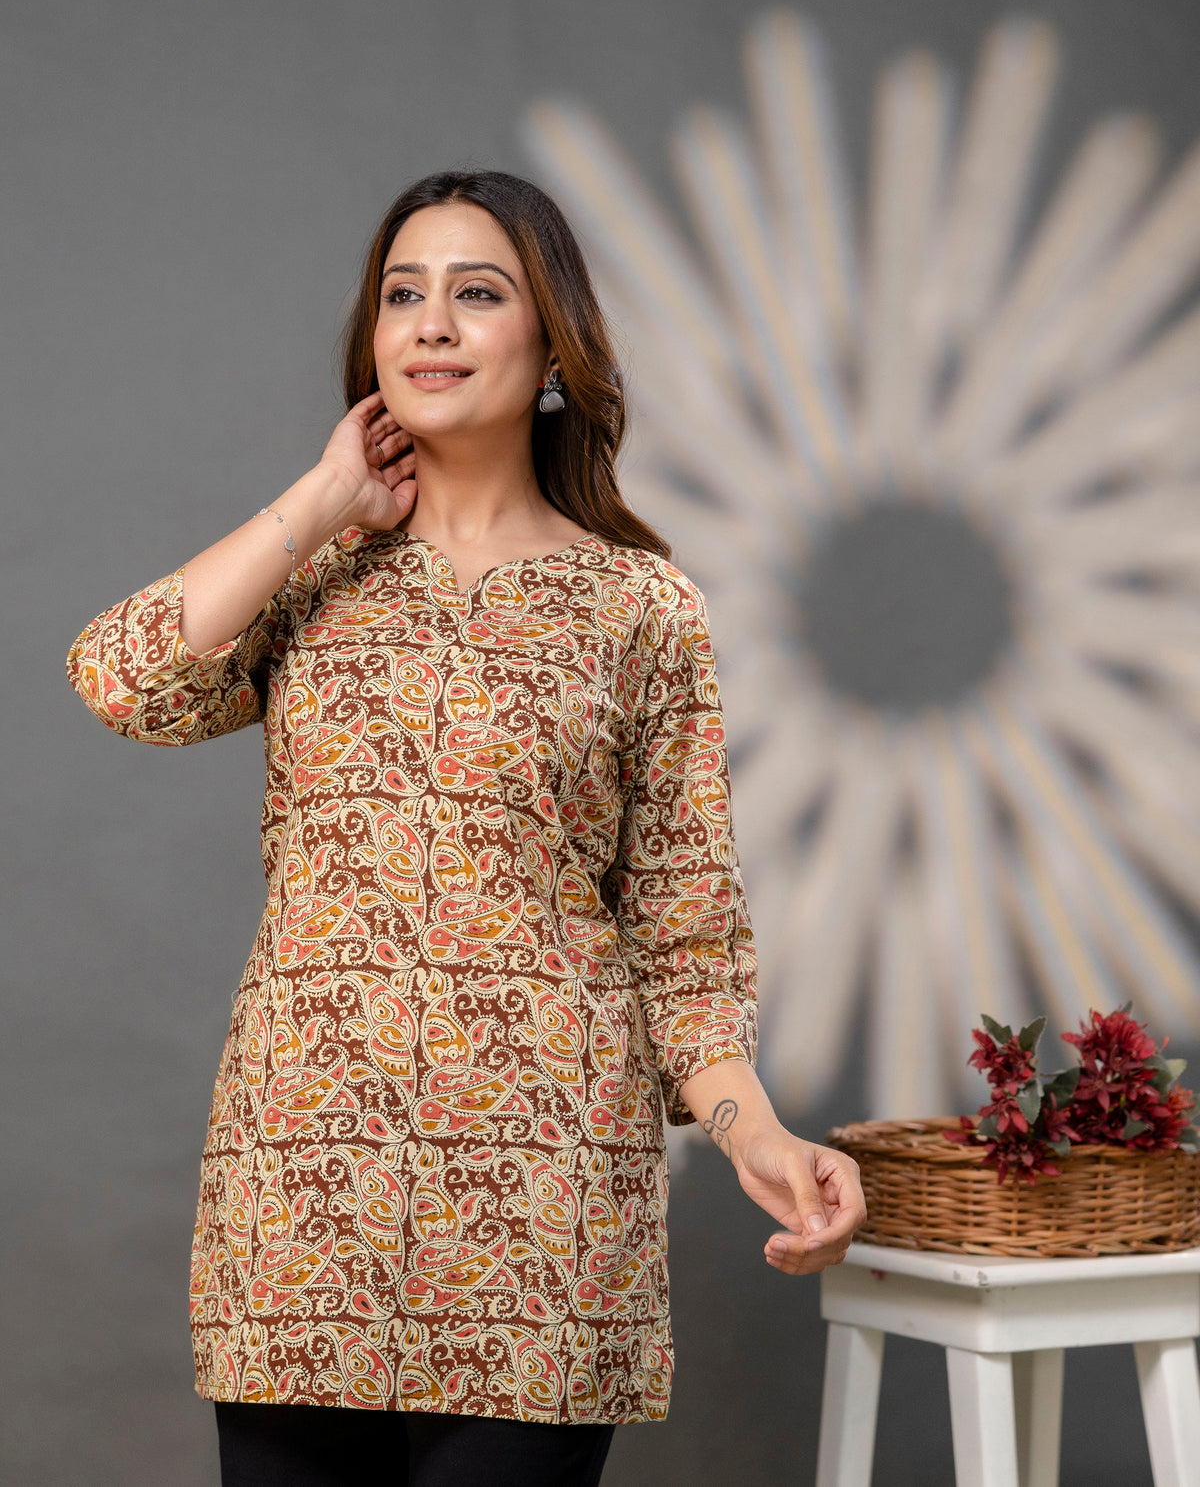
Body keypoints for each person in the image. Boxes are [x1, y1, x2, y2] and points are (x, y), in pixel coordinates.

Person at [65, 169, 867, 1487]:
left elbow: (684, 936)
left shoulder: (640, 608)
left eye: (477, 293)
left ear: (552, 349)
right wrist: (322, 500)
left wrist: (755, 1132)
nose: (431, 323)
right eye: (403, 295)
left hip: (542, 1205)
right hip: (304, 1194)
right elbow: (121, 679)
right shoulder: (309, 575)